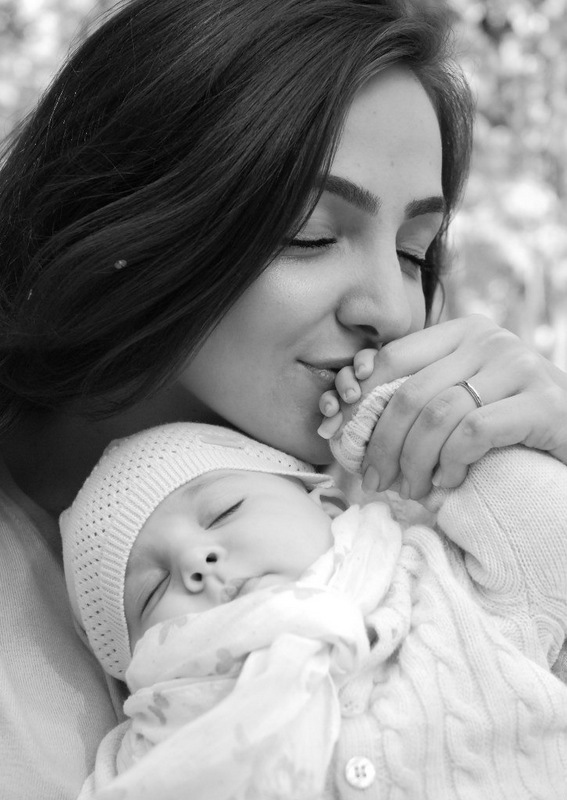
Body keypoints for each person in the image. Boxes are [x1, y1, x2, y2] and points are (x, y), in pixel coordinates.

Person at [1, 0, 567, 797]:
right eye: (310, 234)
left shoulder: (426, 532)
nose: (391, 309)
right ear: (133, 219)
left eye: (412, 253)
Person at [60, 416, 567, 799]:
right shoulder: (151, 745)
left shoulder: (434, 577)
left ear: (327, 509)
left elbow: (546, 533)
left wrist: (393, 422)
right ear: (136, 670)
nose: (197, 560)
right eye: (152, 590)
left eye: (225, 511)